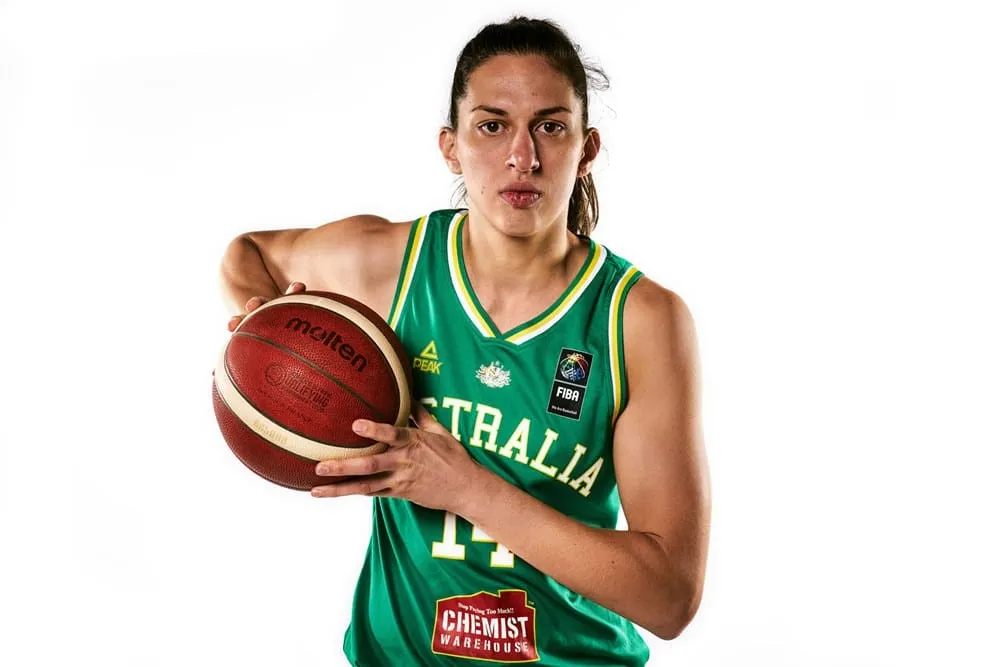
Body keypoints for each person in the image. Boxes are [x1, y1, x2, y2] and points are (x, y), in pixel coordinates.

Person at [220, 16, 710, 667]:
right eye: (492, 126)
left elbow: (670, 596)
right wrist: (265, 325)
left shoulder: (638, 320)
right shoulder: (393, 265)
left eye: (550, 127)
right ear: (450, 147)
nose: (522, 157)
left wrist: (465, 488)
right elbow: (248, 253)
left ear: (587, 148)